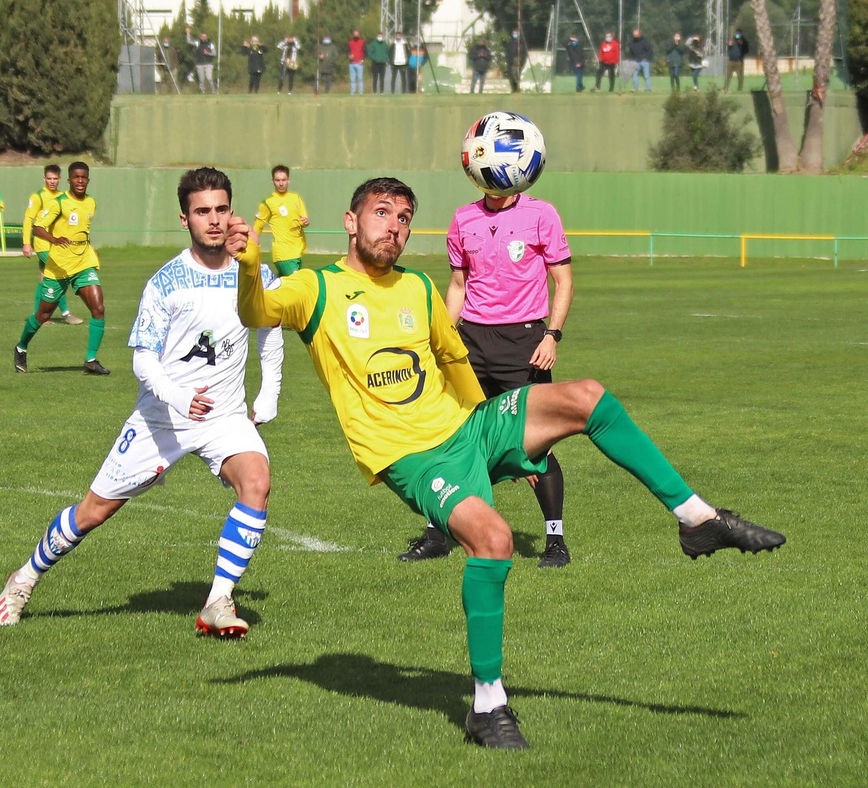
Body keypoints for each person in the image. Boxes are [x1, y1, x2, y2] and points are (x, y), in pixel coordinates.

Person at [227, 177, 785, 750]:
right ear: (350, 221)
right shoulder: (314, 289)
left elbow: (452, 357)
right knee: (493, 539)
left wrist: (495, 433)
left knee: (587, 395)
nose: (392, 227)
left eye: (404, 218)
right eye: (381, 212)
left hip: (468, 427)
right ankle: (487, 706)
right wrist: (248, 264)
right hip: (410, 458)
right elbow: (256, 311)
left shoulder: (418, 288)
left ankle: (697, 519)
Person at [0, 167, 285, 638]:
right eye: (202, 211)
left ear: (232, 211)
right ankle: (25, 577)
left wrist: (268, 391)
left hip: (224, 417)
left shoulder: (256, 273)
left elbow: (271, 329)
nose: (214, 220)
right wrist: (180, 395)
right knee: (93, 512)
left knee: (256, 481)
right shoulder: (166, 282)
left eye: (221, 209)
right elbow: (144, 362)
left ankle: (217, 601)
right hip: (162, 418)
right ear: (184, 219)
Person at [397, 187, 575, 567]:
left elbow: (564, 280)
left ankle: (556, 541)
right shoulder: (463, 218)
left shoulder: (542, 214)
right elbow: (459, 286)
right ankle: (437, 534)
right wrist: (443, 339)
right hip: (471, 342)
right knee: (451, 439)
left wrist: (552, 334)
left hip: (525, 341)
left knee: (535, 446)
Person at [14, 161, 109, 376]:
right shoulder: (59, 203)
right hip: (58, 266)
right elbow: (38, 227)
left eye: (84, 177)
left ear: (88, 179)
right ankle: (21, 347)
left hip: (83, 263)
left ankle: (91, 360)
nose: (80, 181)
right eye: (76, 177)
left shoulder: (91, 203)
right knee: (43, 313)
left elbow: (81, 230)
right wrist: (54, 239)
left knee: (98, 308)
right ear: (69, 179)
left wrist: (88, 249)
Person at [21, 164, 83, 327]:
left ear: (60, 179)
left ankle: (38, 315)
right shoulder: (38, 197)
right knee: (60, 275)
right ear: (44, 178)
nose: (52, 181)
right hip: (42, 244)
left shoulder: (63, 197)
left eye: (55, 178)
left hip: (56, 244)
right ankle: (65, 314)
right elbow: (28, 220)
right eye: (49, 178)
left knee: (44, 278)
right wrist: (26, 243)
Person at [253, 164, 309, 276]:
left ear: (289, 180)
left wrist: (305, 222)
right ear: (272, 181)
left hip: (297, 251)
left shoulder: (296, 198)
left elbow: (304, 219)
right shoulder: (268, 203)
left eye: (283, 180)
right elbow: (258, 226)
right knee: (296, 284)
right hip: (283, 254)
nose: (281, 183)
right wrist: (249, 243)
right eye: (277, 180)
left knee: (283, 286)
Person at [347, 30, 366, 95]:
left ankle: (361, 92)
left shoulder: (362, 42)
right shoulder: (350, 42)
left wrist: (363, 59)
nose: (356, 35)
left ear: (359, 34)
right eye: (354, 34)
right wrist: (349, 56)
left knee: (360, 78)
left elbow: (366, 52)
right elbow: (347, 51)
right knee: (352, 79)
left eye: (357, 34)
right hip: (351, 63)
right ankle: (352, 92)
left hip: (359, 63)